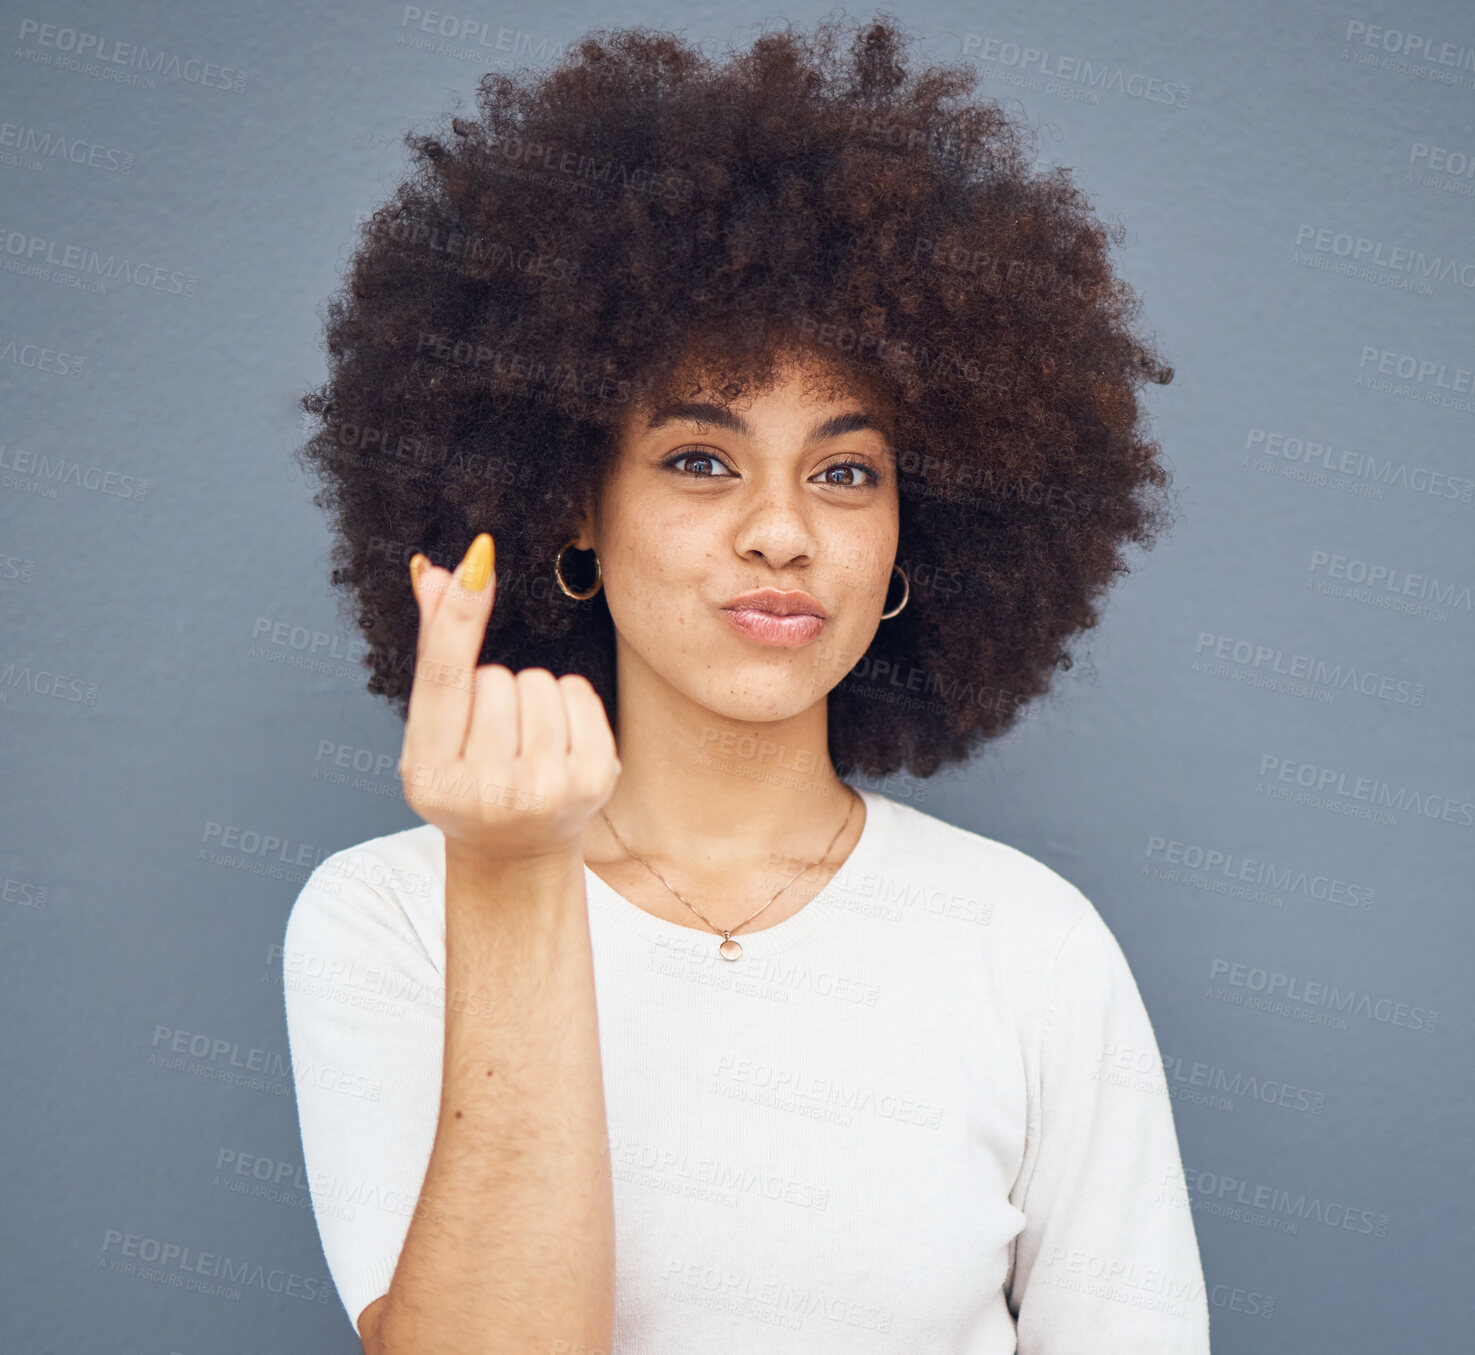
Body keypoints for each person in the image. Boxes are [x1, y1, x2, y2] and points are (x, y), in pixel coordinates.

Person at [282, 14, 1207, 1353]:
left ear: (915, 535)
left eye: (845, 472)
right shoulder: (388, 921)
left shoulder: (1032, 946)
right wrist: (512, 872)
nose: (782, 530)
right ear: (574, 507)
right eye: (702, 460)